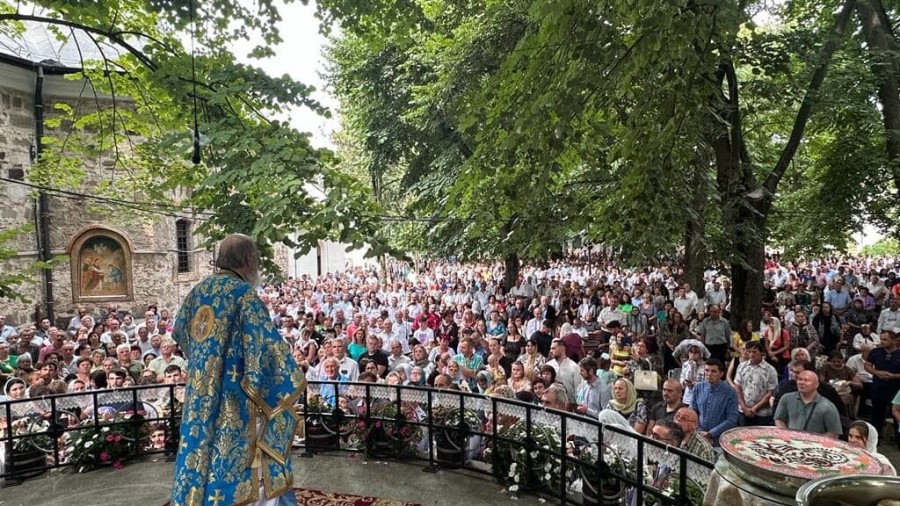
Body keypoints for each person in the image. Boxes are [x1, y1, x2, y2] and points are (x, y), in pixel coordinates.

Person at [170, 234, 305, 506]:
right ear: (248, 260)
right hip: (237, 401)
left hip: (199, 396)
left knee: (202, 458)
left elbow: (180, 334)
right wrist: (290, 380)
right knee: (246, 462)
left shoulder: (197, 292)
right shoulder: (244, 296)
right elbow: (267, 353)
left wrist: (208, 366)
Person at [774, 370, 842, 439]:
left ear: (816, 384)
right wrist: (785, 434)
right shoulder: (786, 398)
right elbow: (779, 419)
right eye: (799, 379)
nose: (801, 383)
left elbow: (834, 433)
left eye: (807, 380)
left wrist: (815, 442)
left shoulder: (827, 406)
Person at [690, 359, 739, 446]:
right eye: (707, 370)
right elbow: (692, 411)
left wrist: (710, 433)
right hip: (698, 435)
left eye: (713, 371)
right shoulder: (698, 387)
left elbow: (731, 419)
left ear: (721, 374)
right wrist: (699, 431)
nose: (709, 374)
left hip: (720, 439)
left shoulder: (730, 392)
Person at [734, 341, 778, 426]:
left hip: (763, 414)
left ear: (761, 353)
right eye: (749, 352)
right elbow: (738, 388)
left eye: (754, 352)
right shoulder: (741, 367)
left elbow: (770, 393)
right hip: (743, 411)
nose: (751, 354)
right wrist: (744, 407)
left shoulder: (770, 370)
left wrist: (754, 409)